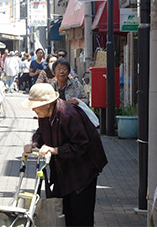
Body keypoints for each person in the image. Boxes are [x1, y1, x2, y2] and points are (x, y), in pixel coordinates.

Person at [22, 83, 107, 227]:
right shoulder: (44, 114)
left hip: (82, 172)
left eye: (35, 105)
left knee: (80, 219)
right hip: (63, 172)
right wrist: (35, 143)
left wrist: (54, 150)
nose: (33, 109)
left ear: (48, 104)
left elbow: (82, 145)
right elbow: (41, 132)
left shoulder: (69, 114)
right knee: (63, 214)